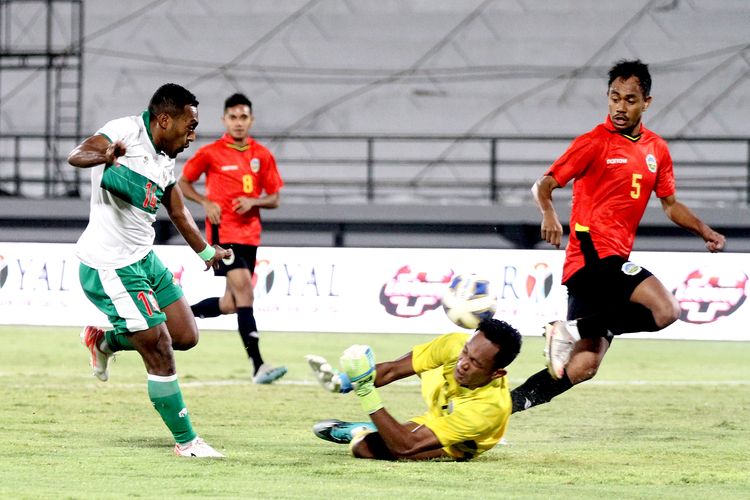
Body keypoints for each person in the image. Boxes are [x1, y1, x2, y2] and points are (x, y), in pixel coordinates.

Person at [511, 59, 726, 413]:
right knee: (665, 310)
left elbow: (670, 205)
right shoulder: (594, 143)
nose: (620, 107)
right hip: (593, 255)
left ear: (646, 103)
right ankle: (570, 331)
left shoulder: (657, 149)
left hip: (609, 263)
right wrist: (548, 212)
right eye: (614, 98)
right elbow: (544, 185)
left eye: (629, 99)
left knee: (582, 367)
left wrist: (704, 231)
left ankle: (498, 408)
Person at [68, 83, 232, 458]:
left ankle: (104, 340)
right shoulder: (124, 130)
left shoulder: (165, 153)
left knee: (185, 334)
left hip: (143, 257)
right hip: (111, 265)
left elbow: (176, 210)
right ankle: (188, 442)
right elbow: (78, 154)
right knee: (158, 346)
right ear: (164, 119)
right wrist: (105, 155)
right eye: (189, 126)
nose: (192, 135)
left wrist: (205, 250)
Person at [178, 93, 286, 384]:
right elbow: (183, 183)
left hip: (250, 236)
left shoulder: (261, 155)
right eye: (233, 117)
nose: (238, 123)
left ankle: (176, 316)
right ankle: (258, 365)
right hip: (223, 234)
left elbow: (274, 198)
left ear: (251, 120)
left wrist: (255, 202)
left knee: (230, 303)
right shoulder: (211, 153)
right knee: (245, 294)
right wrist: (205, 201)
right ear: (224, 120)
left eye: (244, 117)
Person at [306, 319, 522, 461]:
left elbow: (406, 447)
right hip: (441, 396)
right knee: (430, 366)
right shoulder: (454, 346)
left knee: (363, 447)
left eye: (476, 362)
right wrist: (345, 381)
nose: (463, 363)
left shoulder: (488, 410)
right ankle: (385, 426)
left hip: (462, 440)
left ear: (497, 374)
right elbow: (392, 370)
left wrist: (365, 391)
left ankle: (363, 430)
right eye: (466, 352)